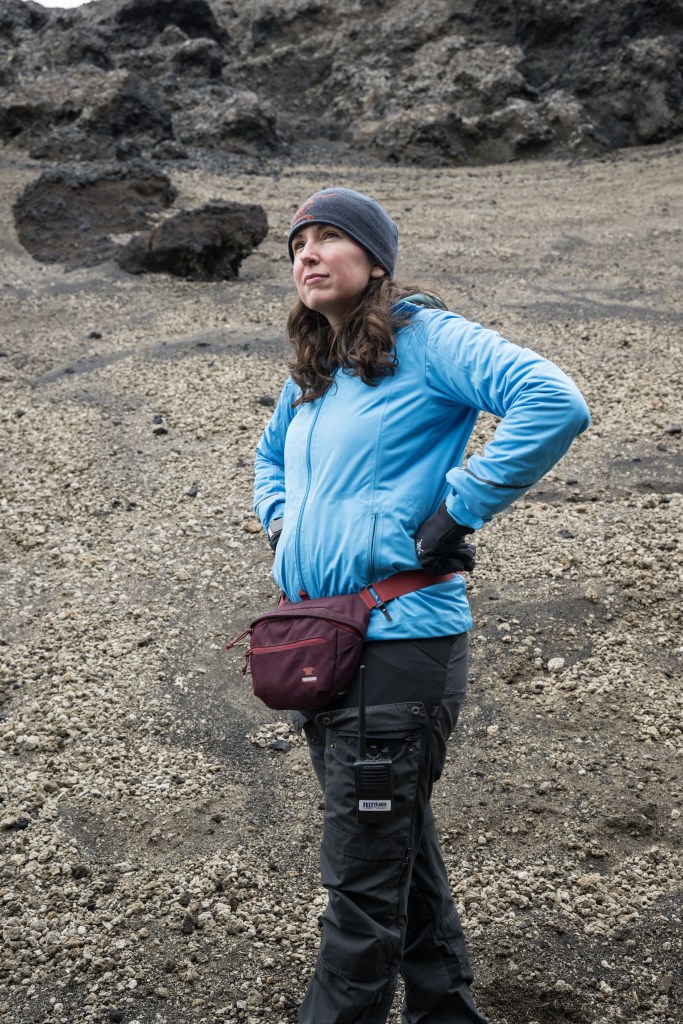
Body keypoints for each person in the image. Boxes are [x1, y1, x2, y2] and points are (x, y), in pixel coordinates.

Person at [253, 187, 590, 1024]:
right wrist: (284, 520)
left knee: (361, 881)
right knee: (394, 851)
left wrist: (458, 509)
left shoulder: (427, 339)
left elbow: (552, 400)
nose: (308, 253)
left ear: (374, 262)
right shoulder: (317, 368)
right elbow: (268, 460)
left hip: (400, 639)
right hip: (324, 640)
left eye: (331, 238)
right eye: (299, 242)